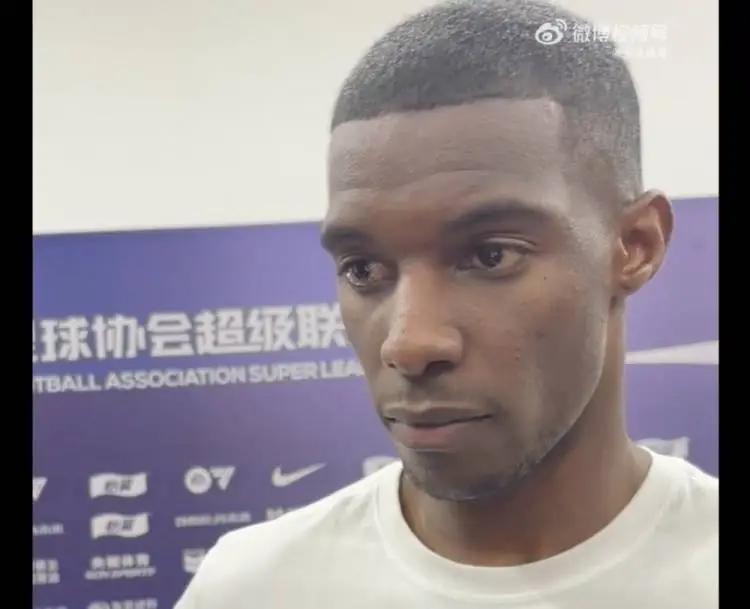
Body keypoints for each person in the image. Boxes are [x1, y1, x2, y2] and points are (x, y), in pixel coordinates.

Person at [175, 0, 718, 607]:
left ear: (635, 245)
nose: (408, 343)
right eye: (363, 269)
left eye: (490, 255)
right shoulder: (253, 588)